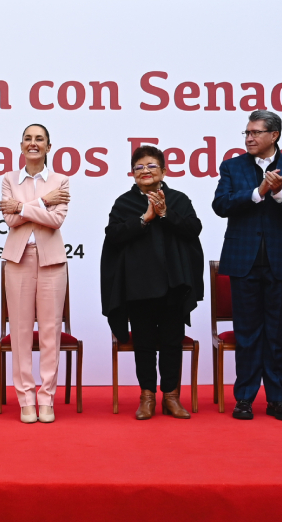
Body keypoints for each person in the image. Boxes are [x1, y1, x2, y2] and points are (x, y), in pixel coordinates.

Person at [212, 111, 282, 421]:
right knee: (246, 332)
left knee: (273, 331)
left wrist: (281, 192)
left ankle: (276, 398)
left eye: (256, 133)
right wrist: (259, 193)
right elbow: (221, 205)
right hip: (243, 260)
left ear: (275, 135)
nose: (249, 138)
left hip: (278, 261)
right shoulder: (232, 167)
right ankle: (244, 398)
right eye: (246, 133)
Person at [102, 145, 204, 420]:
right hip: (138, 286)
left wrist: (164, 214)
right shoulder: (125, 203)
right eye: (139, 167)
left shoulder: (178, 199)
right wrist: (144, 219)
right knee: (144, 344)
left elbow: (194, 229)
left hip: (173, 285)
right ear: (132, 173)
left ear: (163, 171)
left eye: (151, 166)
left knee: (171, 343)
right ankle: (147, 396)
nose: (145, 171)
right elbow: (113, 235)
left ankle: (171, 396)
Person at [0, 124, 69, 424]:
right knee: (21, 332)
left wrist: (25, 206)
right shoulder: (9, 178)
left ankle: (46, 398)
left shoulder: (60, 180)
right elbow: (10, 218)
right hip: (18, 259)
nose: (33, 143)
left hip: (52, 260)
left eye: (39, 139)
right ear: (21, 145)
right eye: (28, 138)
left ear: (48, 147)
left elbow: (55, 222)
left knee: (51, 332)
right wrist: (42, 202)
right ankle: (26, 398)